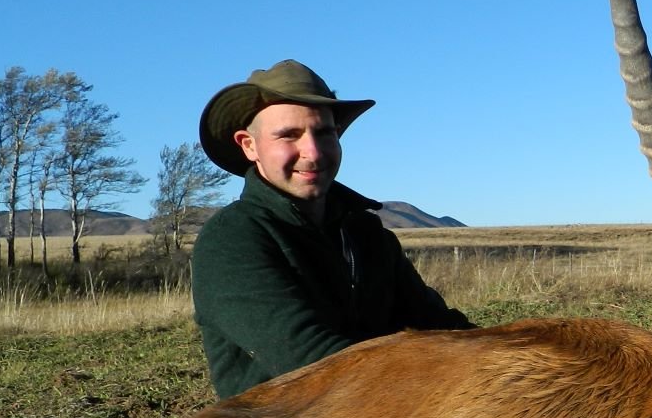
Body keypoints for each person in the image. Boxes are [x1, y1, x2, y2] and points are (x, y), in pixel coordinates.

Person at [192, 59, 473, 398]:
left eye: (324, 132)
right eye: (289, 135)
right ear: (249, 145)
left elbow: (440, 327)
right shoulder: (232, 239)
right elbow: (317, 364)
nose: (312, 151)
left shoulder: (367, 234)